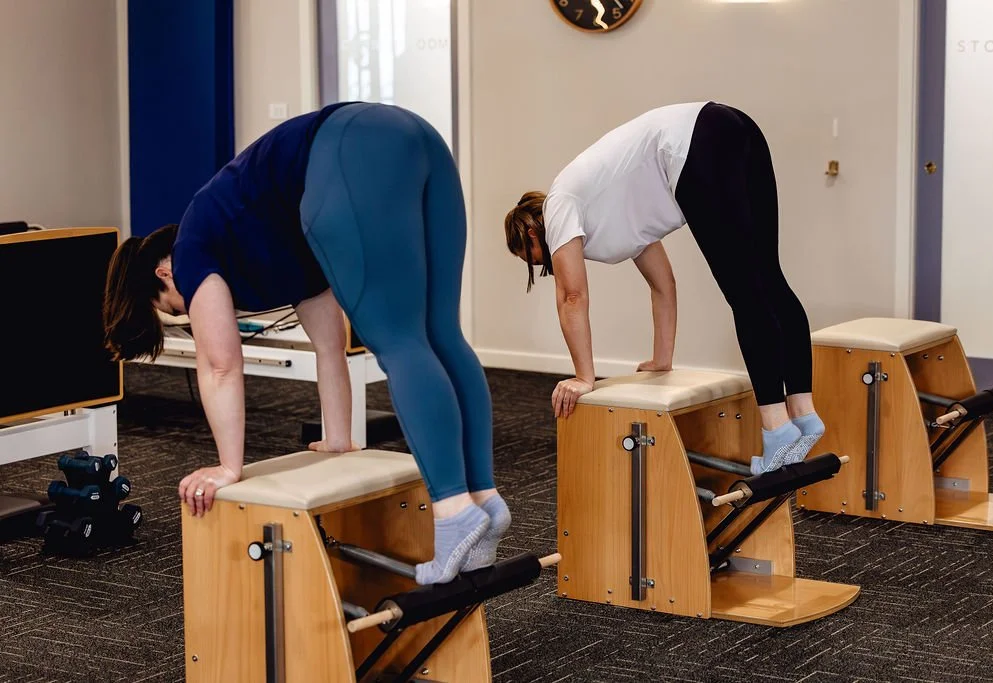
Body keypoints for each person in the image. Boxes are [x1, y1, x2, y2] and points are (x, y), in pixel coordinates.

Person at [103, 102, 509, 585]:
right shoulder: (272, 237)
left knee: (400, 342)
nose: (191, 311)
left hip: (347, 151)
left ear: (164, 274)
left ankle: (454, 511)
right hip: (413, 135)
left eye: (175, 307)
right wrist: (337, 439)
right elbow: (329, 348)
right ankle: (484, 499)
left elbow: (221, 366)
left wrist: (229, 468)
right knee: (441, 334)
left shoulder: (192, 251)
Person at [504, 101, 825, 475]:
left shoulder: (559, 205)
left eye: (532, 258)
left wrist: (583, 377)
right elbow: (663, 285)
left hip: (695, 144)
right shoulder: (609, 209)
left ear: (532, 233)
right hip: (733, 125)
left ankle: (777, 428)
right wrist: (662, 359)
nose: (541, 266)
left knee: (746, 293)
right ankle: (804, 414)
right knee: (768, 279)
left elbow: (572, 296)